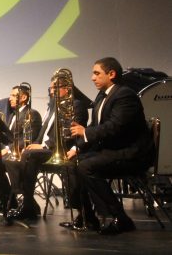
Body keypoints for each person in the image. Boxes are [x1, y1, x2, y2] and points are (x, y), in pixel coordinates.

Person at [65, 57, 153, 234]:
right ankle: (87, 216)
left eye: (96, 73)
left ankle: (119, 217)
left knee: (86, 166)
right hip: (112, 151)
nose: (92, 78)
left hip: (130, 153)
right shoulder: (101, 96)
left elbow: (115, 127)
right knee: (71, 164)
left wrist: (85, 132)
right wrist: (76, 148)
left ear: (111, 74)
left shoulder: (125, 95)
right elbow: (95, 125)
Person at [3, 70, 88, 221]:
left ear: (67, 89)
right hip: (47, 150)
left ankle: (28, 205)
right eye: (51, 88)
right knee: (16, 157)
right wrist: (36, 144)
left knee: (28, 155)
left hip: (60, 150)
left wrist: (44, 146)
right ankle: (26, 201)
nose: (51, 91)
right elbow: (43, 132)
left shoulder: (76, 105)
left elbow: (69, 133)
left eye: (55, 88)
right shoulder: (53, 107)